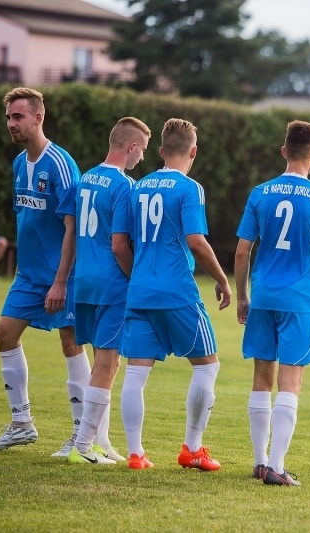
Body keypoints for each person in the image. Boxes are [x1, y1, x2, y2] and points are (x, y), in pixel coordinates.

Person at [118, 118, 231, 471]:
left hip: (139, 293)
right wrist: (222, 279)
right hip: (177, 291)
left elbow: (120, 244)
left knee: (135, 373)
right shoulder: (189, 188)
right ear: (193, 152)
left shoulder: (137, 188)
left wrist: (139, 278)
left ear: (161, 151)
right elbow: (196, 242)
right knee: (207, 365)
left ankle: (135, 454)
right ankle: (192, 449)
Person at [0, 87, 91, 456]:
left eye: (18, 116)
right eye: (8, 117)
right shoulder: (18, 164)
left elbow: (72, 228)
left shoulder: (60, 163)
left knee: (71, 343)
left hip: (62, 274)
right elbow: (26, 220)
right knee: (4, 334)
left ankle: (81, 434)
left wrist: (60, 281)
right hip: (28, 276)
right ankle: (21, 424)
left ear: (38, 117)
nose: (11, 124)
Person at [235, 120, 310, 487]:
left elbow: (243, 251)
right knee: (290, 381)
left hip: (263, 296)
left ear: (284, 151)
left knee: (261, 378)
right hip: (298, 300)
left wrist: (243, 296)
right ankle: (277, 467)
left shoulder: (260, 193)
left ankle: (260, 462)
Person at [67, 117, 152, 465]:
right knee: (107, 362)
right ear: (131, 147)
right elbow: (119, 245)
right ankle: (82, 447)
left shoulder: (86, 178)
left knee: (105, 363)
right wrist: (135, 279)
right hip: (111, 283)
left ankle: (100, 440)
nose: (142, 158)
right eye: (142, 150)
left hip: (84, 281)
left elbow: (71, 231)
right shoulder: (124, 185)